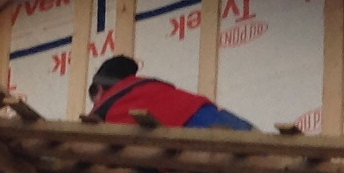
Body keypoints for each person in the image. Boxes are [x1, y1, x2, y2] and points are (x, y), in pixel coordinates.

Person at [86, 55, 252, 130]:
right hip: (211, 113)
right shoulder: (149, 85)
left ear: (99, 89)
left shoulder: (105, 108)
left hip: (190, 130)